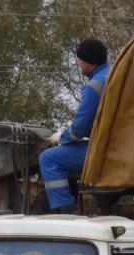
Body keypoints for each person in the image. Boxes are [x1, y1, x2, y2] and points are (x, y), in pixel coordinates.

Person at [39, 39, 110, 213]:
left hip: (106, 149)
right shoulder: (113, 74)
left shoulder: (94, 86)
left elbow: (80, 129)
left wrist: (61, 137)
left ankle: (65, 212)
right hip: (118, 143)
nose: (78, 64)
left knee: (49, 158)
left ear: (89, 61)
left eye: (80, 60)